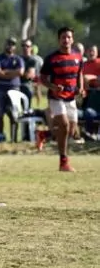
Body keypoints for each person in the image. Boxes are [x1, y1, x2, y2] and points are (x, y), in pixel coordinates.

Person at [39, 27, 84, 172]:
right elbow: (43, 79)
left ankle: (44, 134)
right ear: (59, 40)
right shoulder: (51, 58)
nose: (66, 40)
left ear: (73, 39)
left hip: (71, 98)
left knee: (71, 132)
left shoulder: (78, 57)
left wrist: (81, 88)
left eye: (69, 37)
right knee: (64, 126)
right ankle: (63, 163)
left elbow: (80, 74)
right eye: (63, 37)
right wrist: (53, 87)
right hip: (56, 97)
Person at [0, 38, 25, 142]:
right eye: (8, 44)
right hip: (0, 89)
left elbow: (20, 72)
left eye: (13, 44)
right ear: (5, 45)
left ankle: (13, 138)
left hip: (14, 89)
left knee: (13, 114)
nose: (10, 46)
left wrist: (5, 72)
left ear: (15, 47)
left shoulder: (19, 59)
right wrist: (12, 74)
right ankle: (0, 137)